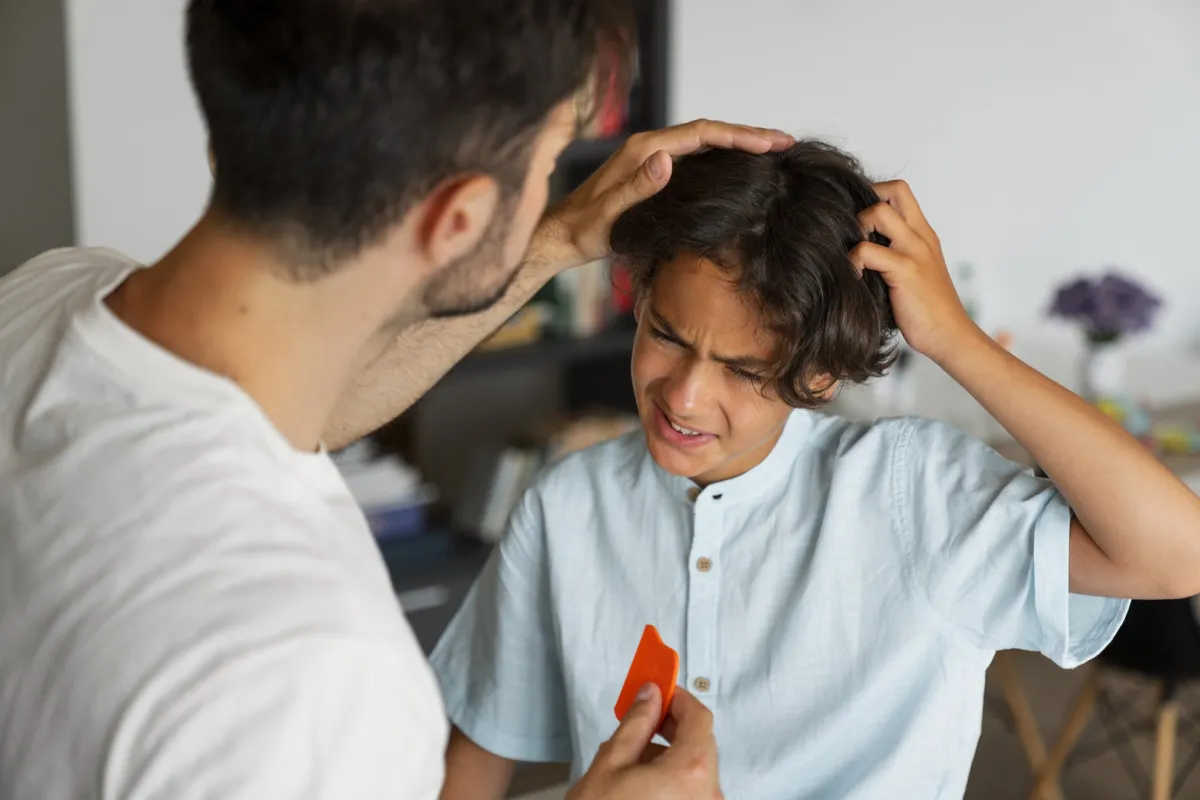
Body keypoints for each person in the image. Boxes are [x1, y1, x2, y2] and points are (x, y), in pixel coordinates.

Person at [0, 1, 795, 797]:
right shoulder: (319, 679)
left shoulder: (48, 294)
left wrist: (553, 237)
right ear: (459, 219)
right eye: (553, 157)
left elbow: (291, 413)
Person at [430, 141, 1200, 798]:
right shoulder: (568, 505)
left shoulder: (915, 494)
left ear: (820, 374)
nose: (686, 396)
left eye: (743, 370)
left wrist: (956, 339)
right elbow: (478, 753)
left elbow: (1175, 555)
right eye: (667, 335)